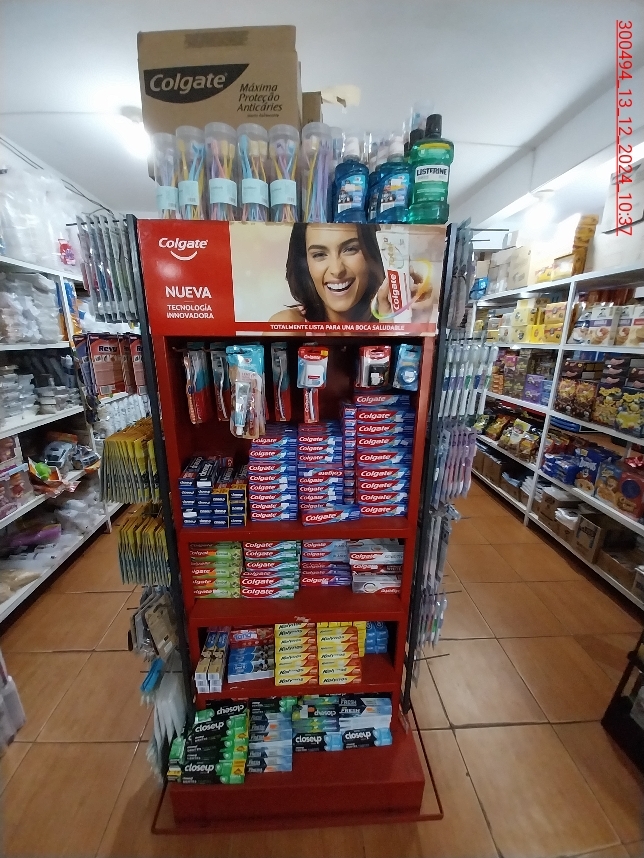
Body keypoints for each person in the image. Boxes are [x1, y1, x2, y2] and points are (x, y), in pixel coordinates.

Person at [269, 222, 433, 324]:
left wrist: (409, 332)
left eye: (350, 249)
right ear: (305, 264)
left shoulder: (391, 317)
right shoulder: (288, 324)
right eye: (319, 254)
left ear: (372, 251)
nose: (337, 270)